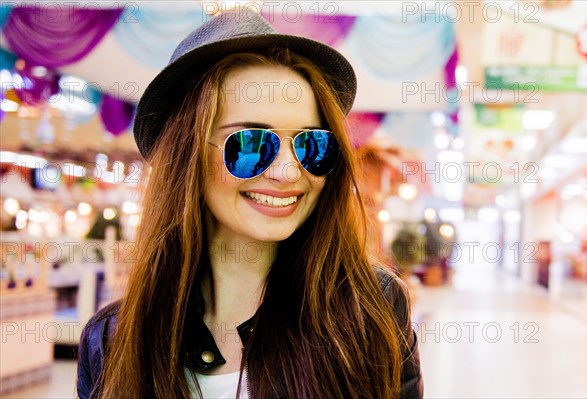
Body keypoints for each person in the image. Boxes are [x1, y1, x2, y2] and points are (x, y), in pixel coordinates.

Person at [77, 6, 423, 399]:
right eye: (251, 144)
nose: (289, 172)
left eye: (313, 144)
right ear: (186, 157)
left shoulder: (370, 309)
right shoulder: (111, 339)